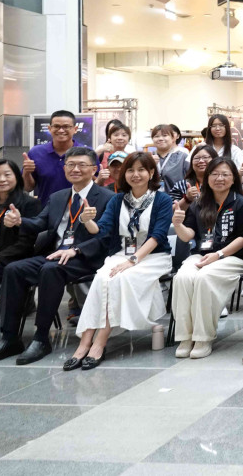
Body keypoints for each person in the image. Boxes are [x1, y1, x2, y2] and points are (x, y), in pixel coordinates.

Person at [0, 147, 115, 365]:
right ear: (64, 168)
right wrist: (19, 221)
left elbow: (107, 236)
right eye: (70, 165)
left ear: (94, 169)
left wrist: (76, 250)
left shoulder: (108, 197)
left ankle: (41, 337)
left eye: (82, 165)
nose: (75, 169)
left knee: (50, 270)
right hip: (54, 254)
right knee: (13, 269)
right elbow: (39, 223)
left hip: (86, 257)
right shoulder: (58, 197)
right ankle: (9, 337)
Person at [67, 152, 173, 370]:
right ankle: (85, 341)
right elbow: (101, 230)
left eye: (141, 169)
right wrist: (87, 221)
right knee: (101, 278)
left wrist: (133, 260)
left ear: (151, 172)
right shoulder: (117, 200)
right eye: (131, 170)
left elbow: (158, 236)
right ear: (125, 174)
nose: (136, 175)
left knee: (118, 279)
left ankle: (99, 342)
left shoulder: (162, 199)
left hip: (152, 257)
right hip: (121, 253)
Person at [172, 156, 243, 359]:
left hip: (233, 257)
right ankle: (185, 337)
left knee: (204, 277)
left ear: (234, 178)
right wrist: (178, 224)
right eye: (215, 174)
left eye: (225, 174)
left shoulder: (242, 203)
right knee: (182, 278)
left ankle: (203, 337)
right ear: (207, 178)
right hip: (201, 255)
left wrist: (218, 254)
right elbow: (188, 236)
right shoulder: (199, 203)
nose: (219, 178)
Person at [0, 159, 41, 339]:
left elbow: (27, 242)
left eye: (7, 174)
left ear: (17, 177)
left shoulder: (28, 204)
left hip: (15, 258)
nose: (2, 179)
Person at [22, 110, 89, 206]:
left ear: (75, 129)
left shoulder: (87, 153)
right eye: (56, 126)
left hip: (79, 212)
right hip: (46, 212)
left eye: (66, 127)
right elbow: (28, 188)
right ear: (49, 128)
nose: (61, 130)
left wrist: (101, 178)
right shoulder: (36, 153)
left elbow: (94, 185)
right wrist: (26, 172)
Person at [151, 123, 189, 200]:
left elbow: (191, 179)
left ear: (173, 138)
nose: (160, 139)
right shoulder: (147, 158)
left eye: (165, 135)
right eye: (156, 136)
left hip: (177, 201)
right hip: (153, 201)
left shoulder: (182, 157)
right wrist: (149, 165)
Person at [178, 145, 219, 213]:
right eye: (196, 158)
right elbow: (171, 210)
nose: (201, 161)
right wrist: (187, 199)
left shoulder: (221, 183)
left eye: (205, 157)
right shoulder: (182, 185)